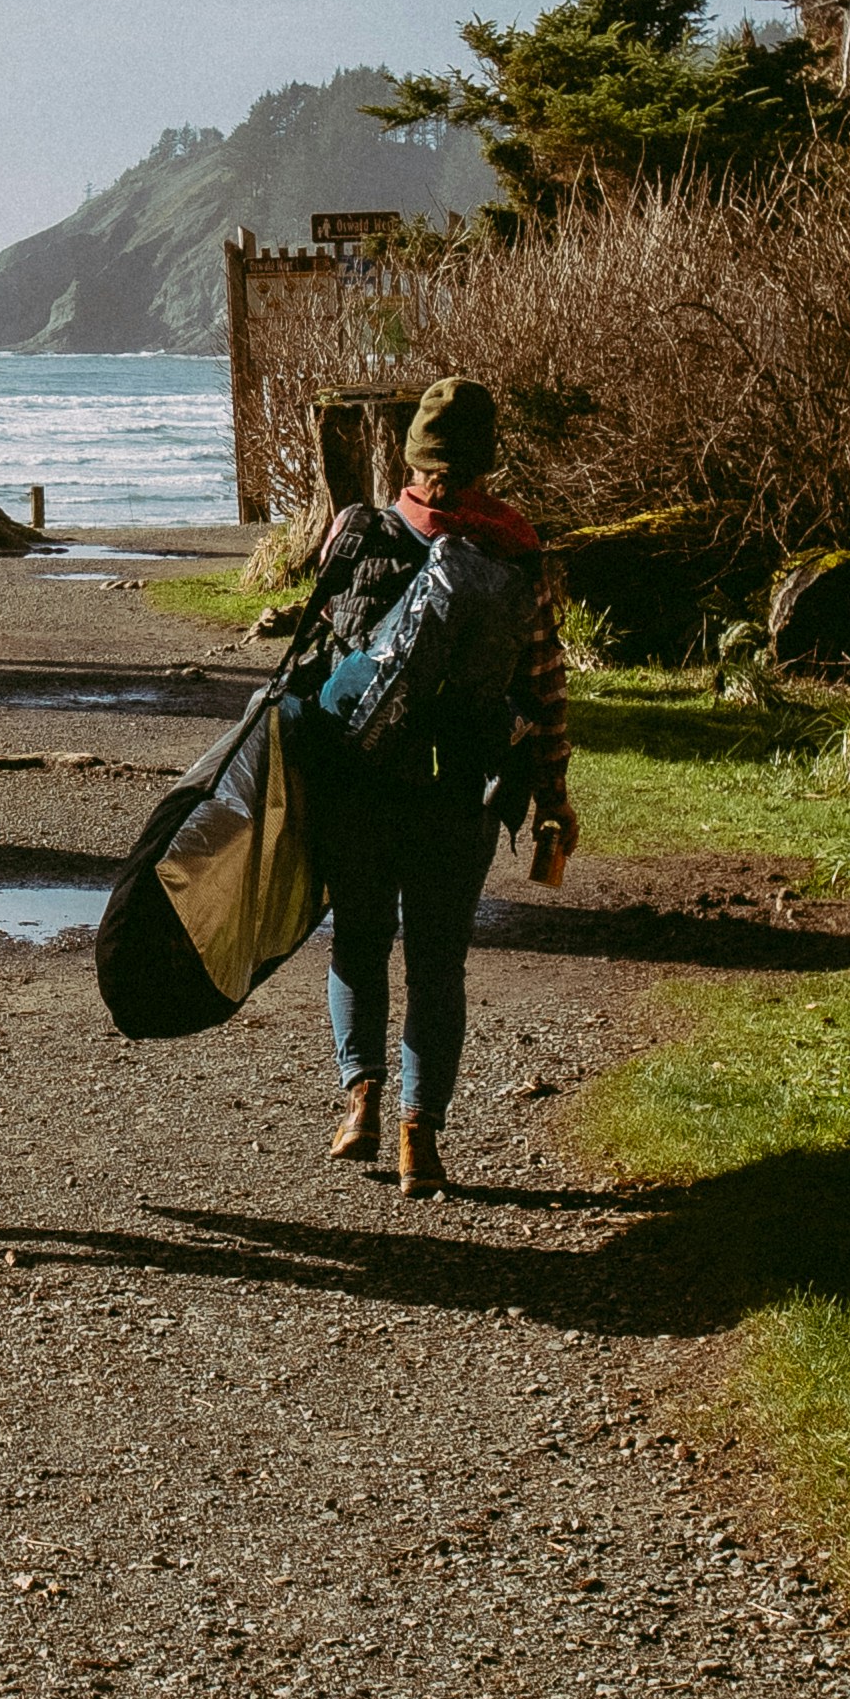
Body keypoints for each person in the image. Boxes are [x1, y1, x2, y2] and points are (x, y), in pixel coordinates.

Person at [295, 378, 573, 1201]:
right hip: (461, 789)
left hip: (361, 779)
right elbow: (545, 684)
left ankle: (361, 1101)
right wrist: (553, 792)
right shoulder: (516, 553)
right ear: (487, 462)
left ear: (411, 456)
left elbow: (323, 652)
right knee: (437, 965)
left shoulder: (357, 532)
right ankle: (421, 1139)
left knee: (358, 942)